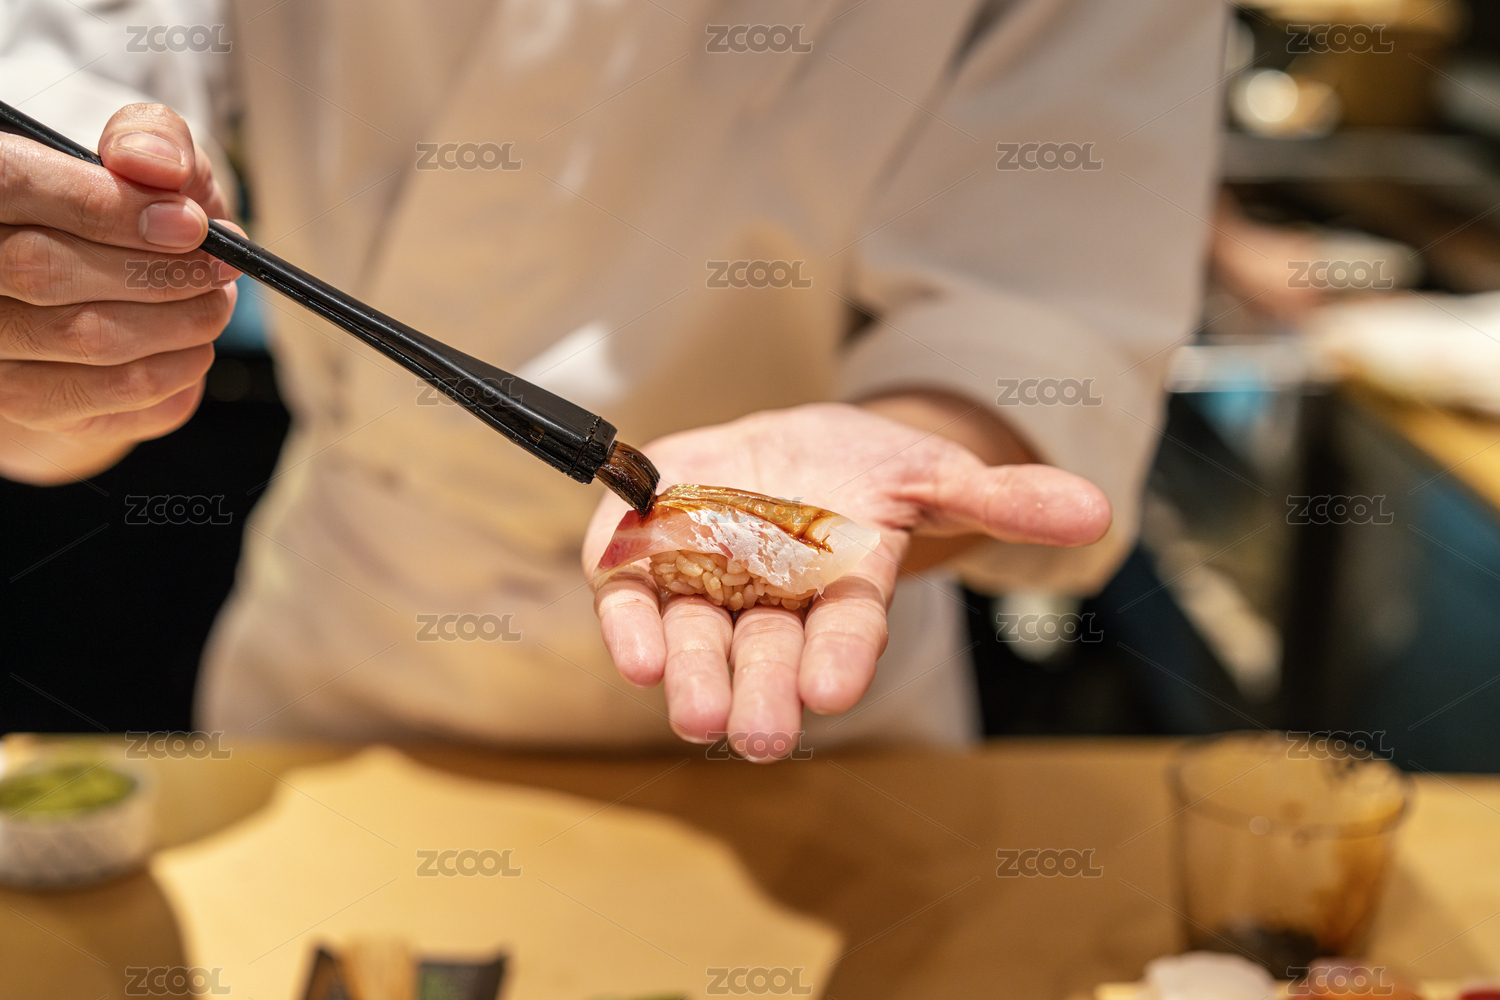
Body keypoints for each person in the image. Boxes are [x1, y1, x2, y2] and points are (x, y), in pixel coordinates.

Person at [0, 0, 1225, 757]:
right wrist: (71, 259)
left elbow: (1044, 291)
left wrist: (916, 442)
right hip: (351, 668)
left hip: (820, 723)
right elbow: (72, 63)